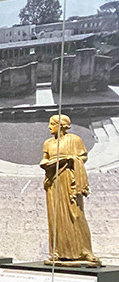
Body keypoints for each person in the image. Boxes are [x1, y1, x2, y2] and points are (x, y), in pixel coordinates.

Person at [40, 114, 100, 266]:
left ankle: (85, 251)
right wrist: (47, 163)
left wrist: (70, 159)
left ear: (61, 125)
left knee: (76, 214)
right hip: (54, 181)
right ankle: (58, 252)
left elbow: (83, 157)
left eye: (51, 124)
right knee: (56, 216)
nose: (49, 127)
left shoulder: (74, 140)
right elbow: (44, 159)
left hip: (70, 179)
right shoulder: (48, 143)